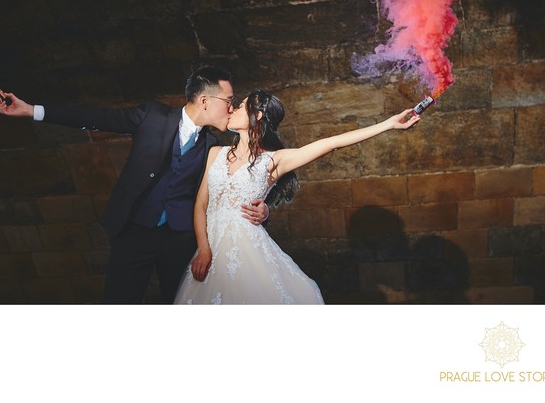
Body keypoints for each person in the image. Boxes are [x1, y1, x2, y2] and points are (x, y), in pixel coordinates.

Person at [0, 67, 270, 304]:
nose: (232, 107)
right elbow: (94, 117)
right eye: (229, 100)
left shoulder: (214, 147)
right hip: (134, 231)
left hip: (180, 241)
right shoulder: (152, 116)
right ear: (205, 100)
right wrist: (32, 110)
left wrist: (265, 210)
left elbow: (256, 174)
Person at [174, 89, 420, 304]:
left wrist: (389, 123)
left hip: (249, 252)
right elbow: (201, 205)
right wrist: (204, 249)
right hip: (209, 251)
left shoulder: (274, 160)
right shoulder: (216, 152)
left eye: (240, 106)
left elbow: (331, 143)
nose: (233, 109)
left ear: (257, 115)